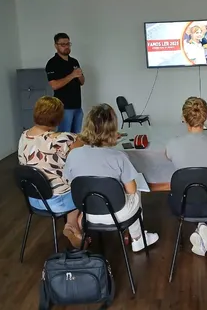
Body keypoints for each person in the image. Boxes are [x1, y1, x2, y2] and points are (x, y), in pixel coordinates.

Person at [63, 104, 159, 252]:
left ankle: (80, 230)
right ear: (113, 129)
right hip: (118, 214)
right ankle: (138, 239)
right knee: (137, 189)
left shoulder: (73, 155)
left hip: (88, 214)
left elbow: (70, 182)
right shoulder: (119, 157)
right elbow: (131, 190)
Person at [18, 96, 84, 247]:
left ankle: (71, 224)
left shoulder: (23, 137)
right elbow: (82, 143)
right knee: (84, 187)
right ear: (58, 119)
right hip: (56, 202)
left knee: (68, 183)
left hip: (34, 199)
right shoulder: (61, 139)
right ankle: (73, 224)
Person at [165, 97, 207, 256]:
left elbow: (168, 156)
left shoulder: (172, 144)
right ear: (205, 116)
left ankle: (201, 228)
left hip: (182, 204)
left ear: (183, 117)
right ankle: (203, 226)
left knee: (192, 190)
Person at [45, 32, 85, 133]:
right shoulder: (52, 63)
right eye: (63, 44)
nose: (66, 47)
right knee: (64, 137)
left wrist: (79, 75)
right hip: (64, 108)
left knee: (76, 137)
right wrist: (72, 75)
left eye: (68, 44)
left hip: (77, 106)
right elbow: (54, 85)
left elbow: (82, 82)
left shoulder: (74, 61)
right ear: (56, 46)